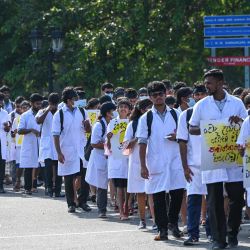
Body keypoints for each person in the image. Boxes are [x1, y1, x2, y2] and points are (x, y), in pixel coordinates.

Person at [189, 69, 247, 249]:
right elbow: (192, 128)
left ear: (221, 83)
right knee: (214, 201)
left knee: (237, 199)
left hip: (233, 157)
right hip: (213, 157)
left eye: (210, 83)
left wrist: (239, 121)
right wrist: (207, 129)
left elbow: (247, 125)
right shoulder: (201, 105)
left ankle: (232, 234)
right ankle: (218, 239)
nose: (207, 87)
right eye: (206, 83)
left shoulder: (237, 103)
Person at [137, 81, 181, 241]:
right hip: (155, 161)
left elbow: (185, 137)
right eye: (154, 95)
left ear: (166, 94)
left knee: (177, 194)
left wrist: (178, 137)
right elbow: (142, 143)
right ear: (150, 97)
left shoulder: (176, 114)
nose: (158, 97)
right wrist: (142, 165)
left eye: (161, 94)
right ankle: (162, 229)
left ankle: (173, 223)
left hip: (175, 160)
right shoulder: (146, 118)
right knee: (158, 197)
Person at [52, 87, 91, 213]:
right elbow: (56, 134)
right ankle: (71, 203)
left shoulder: (82, 111)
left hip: (81, 149)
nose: (77, 101)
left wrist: (87, 125)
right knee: (68, 177)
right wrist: (58, 152)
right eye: (75, 99)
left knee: (84, 176)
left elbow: (88, 130)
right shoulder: (60, 114)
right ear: (68, 100)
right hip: (67, 149)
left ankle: (82, 201)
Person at [177, 87, 207, 246]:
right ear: (193, 97)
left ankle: (212, 233)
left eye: (203, 93)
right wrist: (185, 167)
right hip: (194, 166)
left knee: (212, 201)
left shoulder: (213, 112)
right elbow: (182, 141)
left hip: (213, 164)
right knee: (193, 201)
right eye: (197, 94)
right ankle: (193, 234)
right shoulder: (186, 114)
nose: (200, 96)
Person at [124, 98, 156, 229]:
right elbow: (125, 146)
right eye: (147, 108)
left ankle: (155, 221)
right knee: (140, 193)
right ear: (141, 110)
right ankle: (142, 220)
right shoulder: (133, 124)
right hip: (137, 162)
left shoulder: (155, 121)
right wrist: (138, 138)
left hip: (153, 159)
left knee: (153, 192)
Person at [85, 101, 116, 218]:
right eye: (113, 111)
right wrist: (108, 143)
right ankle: (101, 210)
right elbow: (93, 143)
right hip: (100, 157)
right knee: (102, 185)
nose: (115, 113)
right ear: (108, 113)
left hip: (109, 157)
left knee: (109, 182)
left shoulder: (111, 123)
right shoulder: (99, 125)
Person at [107, 98, 130, 220]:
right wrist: (109, 138)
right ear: (117, 109)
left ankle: (127, 207)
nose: (123, 109)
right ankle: (121, 211)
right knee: (120, 187)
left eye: (125, 107)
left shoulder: (131, 122)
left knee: (129, 187)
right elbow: (108, 146)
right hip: (117, 158)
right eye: (121, 107)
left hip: (129, 158)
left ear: (129, 110)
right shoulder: (112, 123)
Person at [36, 93, 63, 197]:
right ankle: (48, 189)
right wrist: (47, 109)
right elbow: (38, 121)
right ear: (49, 102)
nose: (54, 106)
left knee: (59, 169)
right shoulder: (42, 111)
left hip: (58, 143)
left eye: (55, 104)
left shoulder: (61, 112)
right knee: (47, 168)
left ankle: (58, 190)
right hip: (47, 144)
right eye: (52, 103)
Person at [18, 93, 43, 195]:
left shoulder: (43, 113)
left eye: (40, 104)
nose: (39, 106)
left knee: (38, 165)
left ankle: (35, 186)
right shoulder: (25, 115)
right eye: (37, 104)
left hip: (40, 142)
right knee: (28, 166)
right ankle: (27, 188)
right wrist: (32, 130)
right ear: (31, 103)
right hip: (29, 143)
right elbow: (20, 131)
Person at [12, 100, 30, 192]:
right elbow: (14, 132)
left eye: (27, 107)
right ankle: (18, 182)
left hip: (30, 144)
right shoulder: (17, 119)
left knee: (29, 165)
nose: (25, 108)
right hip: (19, 144)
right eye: (23, 107)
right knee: (20, 164)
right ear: (21, 109)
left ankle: (28, 184)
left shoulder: (32, 117)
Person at [0, 92, 11, 193]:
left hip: (1, 140)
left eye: (1, 100)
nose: (1, 102)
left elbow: (8, 128)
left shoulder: (5, 113)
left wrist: (7, 127)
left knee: (1, 163)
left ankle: (1, 186)